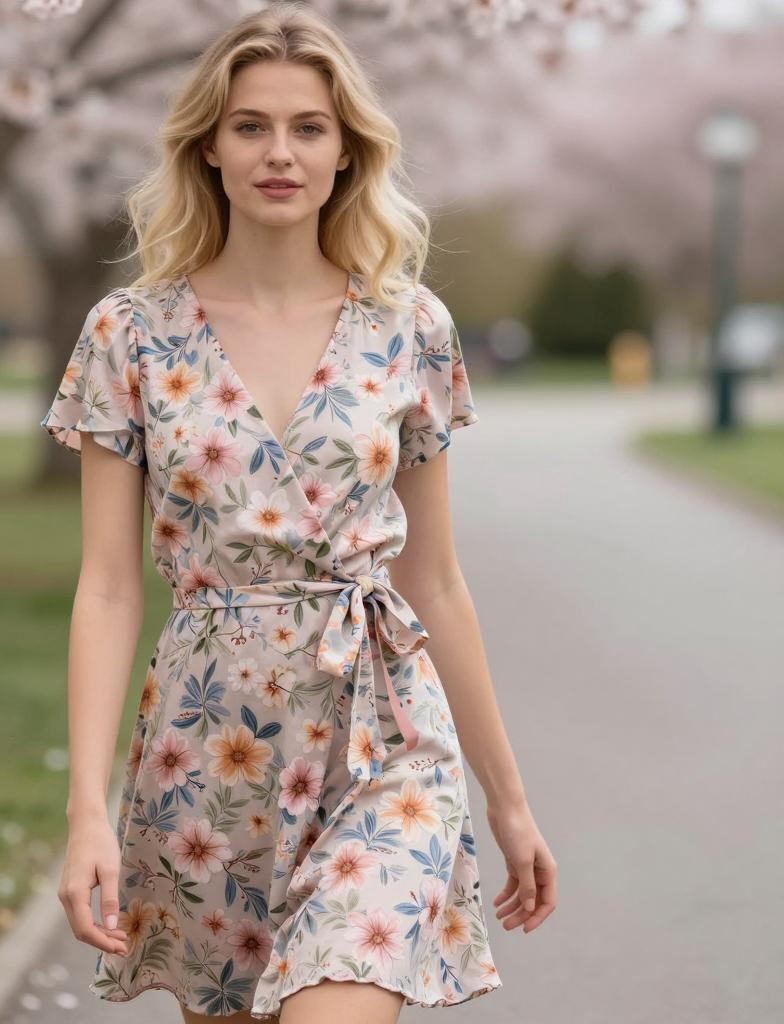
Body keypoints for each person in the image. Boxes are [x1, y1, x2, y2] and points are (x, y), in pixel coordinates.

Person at [41, 3, 557, 1022]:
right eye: (250, 125)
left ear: (346, 152)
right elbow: (105, 588)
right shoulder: (130, 334)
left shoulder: (409, 324)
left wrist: (508, 799)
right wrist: (85, 814)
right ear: (209, 150)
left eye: (308, 127)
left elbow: (437, 579)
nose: (280, 151)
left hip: (382, 737)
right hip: (209, 750)